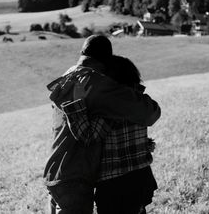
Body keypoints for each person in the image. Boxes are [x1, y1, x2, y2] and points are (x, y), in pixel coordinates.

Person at [43, 35, 161, 213]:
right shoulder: (98, 83)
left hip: (56, 171)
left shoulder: (67, 77)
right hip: (78, 177)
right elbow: (148, 113)